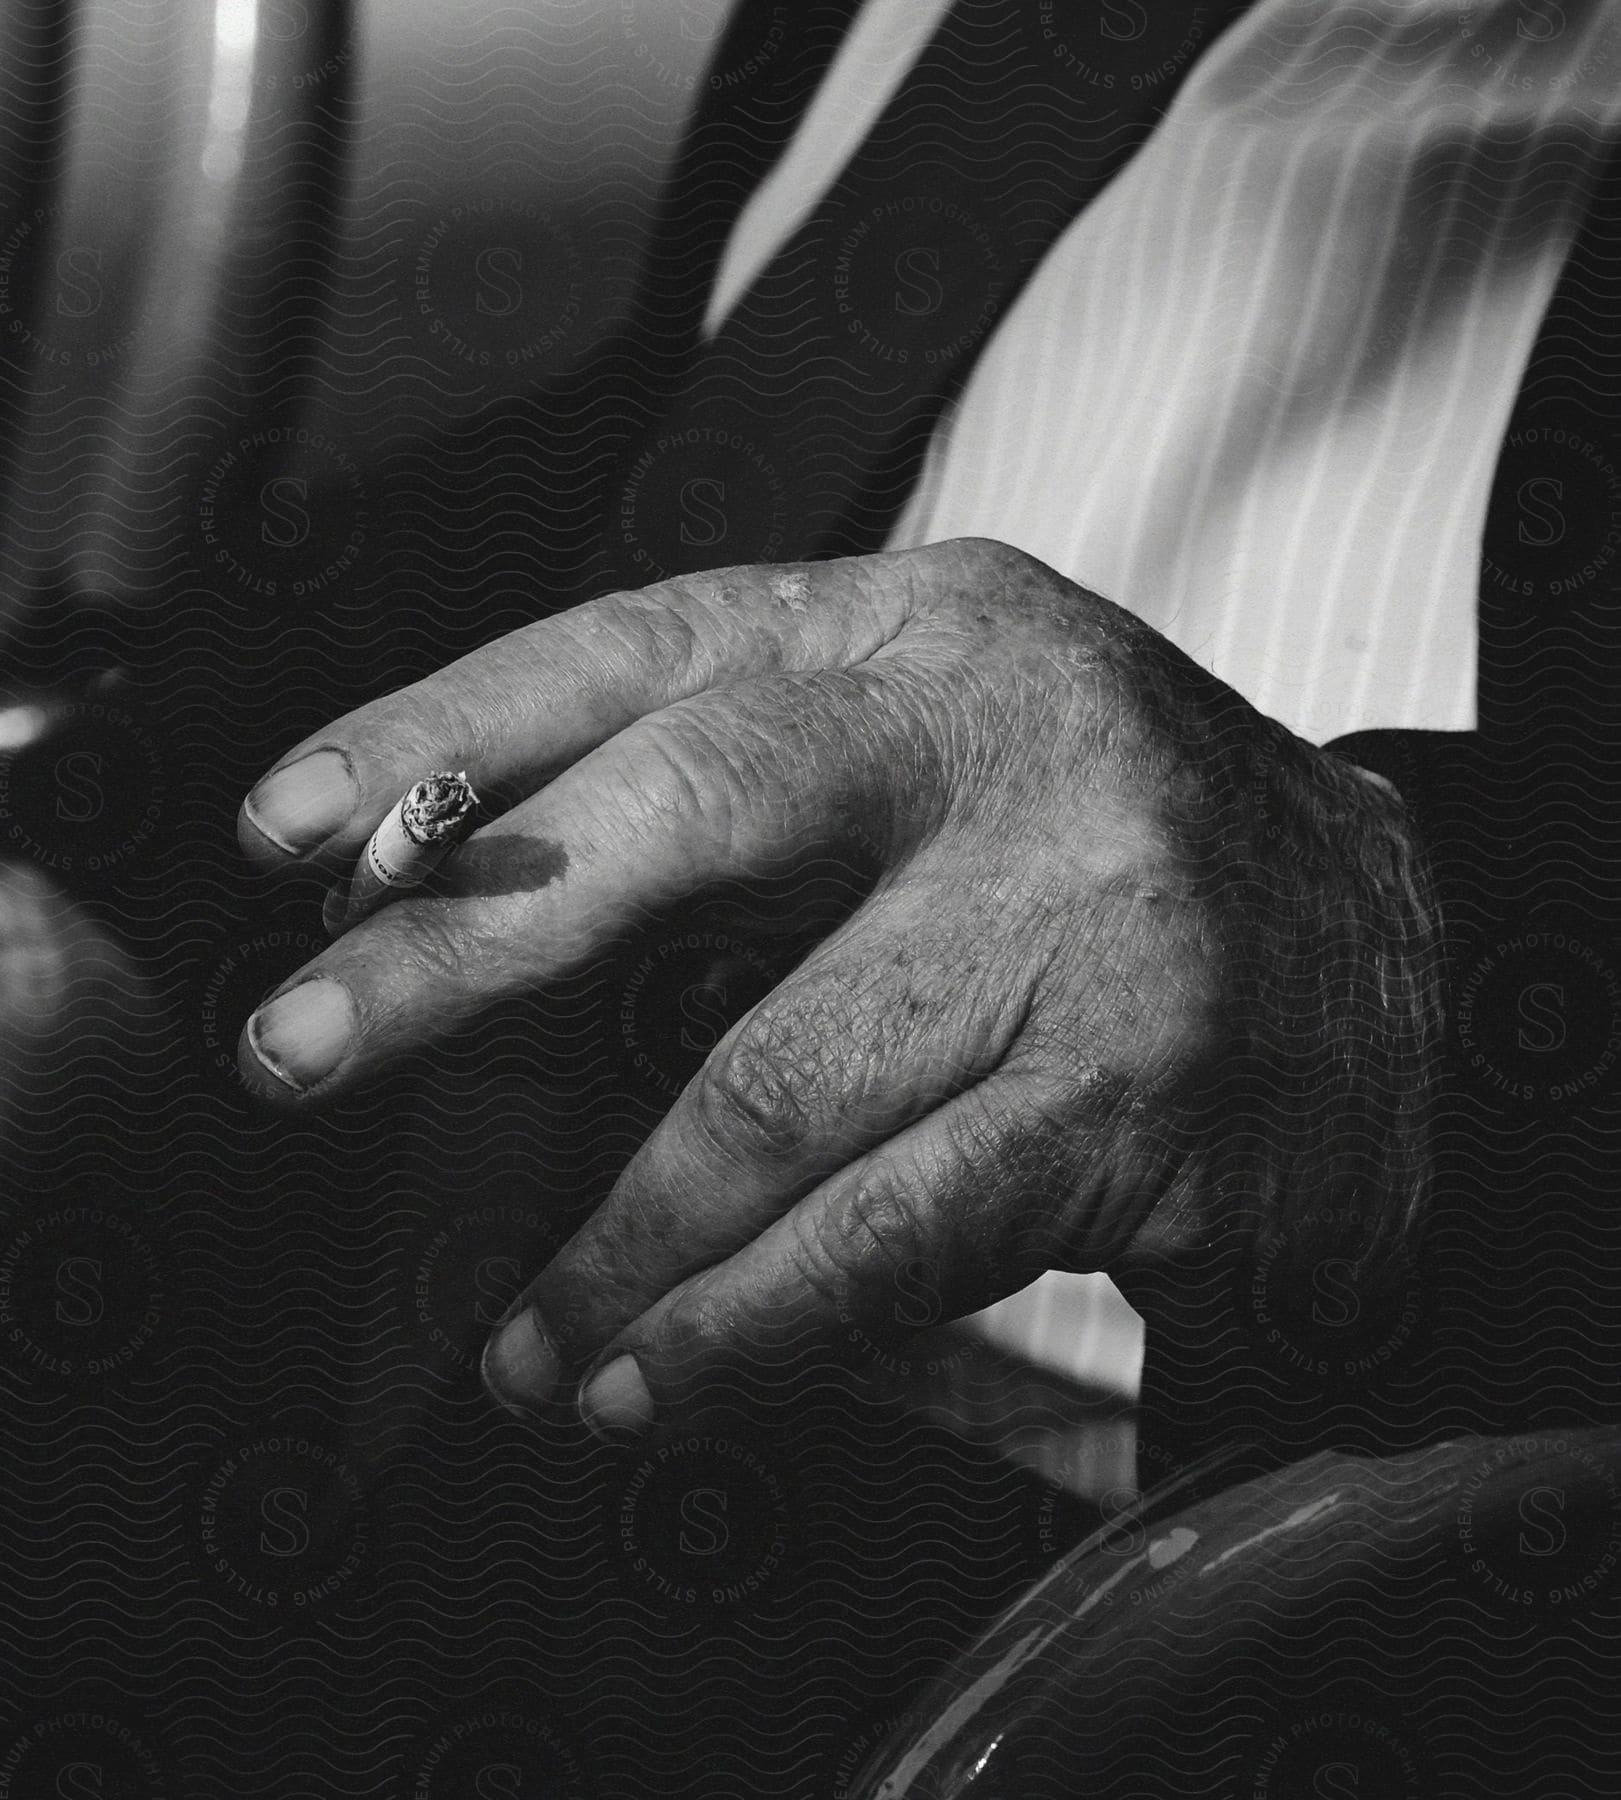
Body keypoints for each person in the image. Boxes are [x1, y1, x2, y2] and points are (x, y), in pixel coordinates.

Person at [234, 0, 1621, 1465]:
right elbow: (706, 427)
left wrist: (1396, 977)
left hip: (1296, 1541)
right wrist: (97, 894)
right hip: (551, 1380)